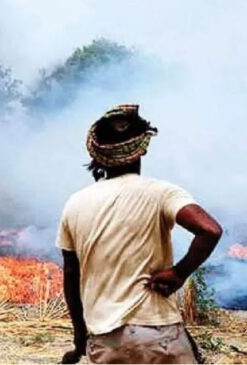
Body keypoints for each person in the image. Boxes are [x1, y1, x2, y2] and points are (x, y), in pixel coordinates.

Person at [57, 104, 222, 364]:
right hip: (160, 334)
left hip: (105, 339)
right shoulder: (163, 193)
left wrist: (79, 339)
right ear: (142, 148)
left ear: (98, 153)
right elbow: (209, 230)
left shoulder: (75, 203)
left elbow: (70, 274)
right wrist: (179, 274)